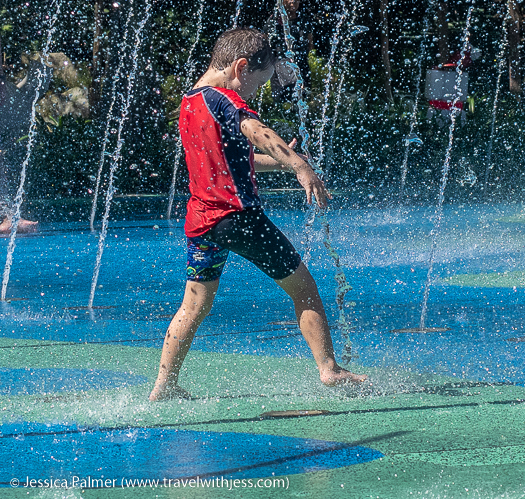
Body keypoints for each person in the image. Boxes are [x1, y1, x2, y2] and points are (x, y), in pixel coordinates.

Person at [149, 28, 366, 401]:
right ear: (240, 66)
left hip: (202, 222)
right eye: (256, 84)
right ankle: (329, 370)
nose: (252, 94)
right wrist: (299, 166)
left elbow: (232, 160)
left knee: (194, 305)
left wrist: (280, 164)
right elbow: (258, 132)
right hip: (238, 218)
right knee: (305, 290)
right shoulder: (225, 100)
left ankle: (163, 385)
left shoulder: (190, 102)